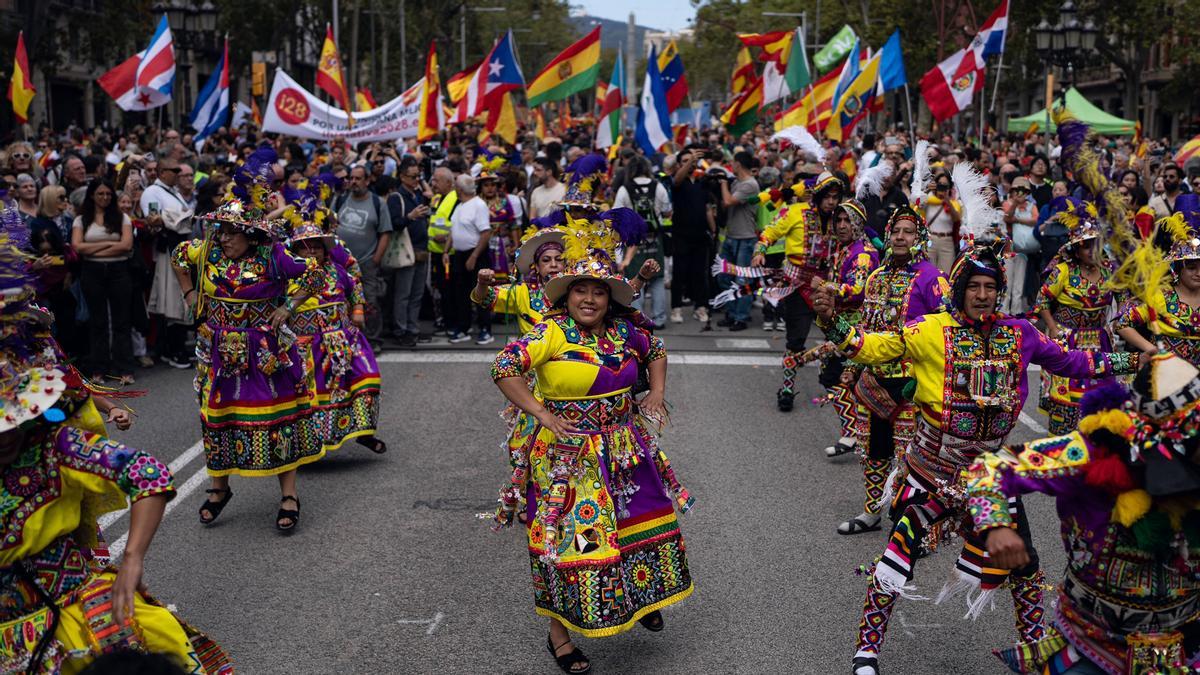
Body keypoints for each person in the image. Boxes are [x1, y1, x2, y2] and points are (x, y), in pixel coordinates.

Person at [812, 241, 1141, 675]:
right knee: (896, 559)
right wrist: (831, 321)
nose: (983, 295)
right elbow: (871, 347)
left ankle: (1035, 651)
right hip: (932, 471)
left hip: (991, 477)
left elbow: (1072, 361)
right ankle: (866, 652)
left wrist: (1135, 359)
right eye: (974, 286)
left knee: (1025, 566)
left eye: (990, 287)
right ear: (960, 289)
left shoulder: (1020, 333)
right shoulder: (930, 330)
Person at [0, 239, 232, 674]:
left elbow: (149, 474)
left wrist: (133, 558)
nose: (7, 434)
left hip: (71, 618)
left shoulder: (52, 447)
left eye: (15, 418)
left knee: (158, 642)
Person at [490, 206, 693, 674]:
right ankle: (559, 637)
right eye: (580, 289)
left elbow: (657, 349)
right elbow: (504, 367)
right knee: (570, 544)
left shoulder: (625, 331)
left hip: (624, 449)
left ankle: (641, 599)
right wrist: (542, 413)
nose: (588, 298)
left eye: (598, 291)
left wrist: (656, 393)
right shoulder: (551, 332)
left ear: (609, 298)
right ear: (567, 294)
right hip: (569, 457)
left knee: (636, 528)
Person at [968, 356, 1200, 675]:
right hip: (1093, 646)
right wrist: (996, 525)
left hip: (1185, 647)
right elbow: (990, 467)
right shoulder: (1091, 451)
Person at [171, 149, 325, 532]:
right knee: (217, 417)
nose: (223, 238)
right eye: (221, 231)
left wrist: (288, 306)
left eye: (231, 232)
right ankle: (219, 488)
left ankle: (289, 494)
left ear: (250, 235)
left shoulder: (273, 256)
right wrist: (190, 296)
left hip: (266, 352)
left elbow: (314, 274)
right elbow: (179, 256)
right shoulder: (209, 252)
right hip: (220, 351)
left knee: (277, 418)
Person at [829, 202, 946, 537]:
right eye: (896, 231)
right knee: (874, 451)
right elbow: (867, 327)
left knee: (910, 456)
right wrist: (854, 366)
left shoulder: (933, 279)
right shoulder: (877, 276)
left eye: (908, 232)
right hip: (874, 380)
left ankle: (912, 525)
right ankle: (872, 512)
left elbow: (946, 332)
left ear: (920, 238)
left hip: (912, 383)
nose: (900, 237)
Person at [282, 184, 386, 455]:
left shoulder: (337, 270)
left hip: (343, 338)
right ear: (296, 251)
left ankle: (364, 431)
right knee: (311, 397)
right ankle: (310, 446)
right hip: (305, 346)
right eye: (305, 247)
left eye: (317, 246)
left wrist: (358, 310)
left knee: (367, 379)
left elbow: (355, 285)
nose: (312, 251)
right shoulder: (287, 277)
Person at [747, 173, 843, 412]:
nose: (831, 202)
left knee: (836, 337)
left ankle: (831, 381)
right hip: (797, 286)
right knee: (796, 340)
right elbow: (769, 232)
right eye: (827, 197)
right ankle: (787, 387)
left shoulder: (840, 218)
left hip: (826, 285)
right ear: (817, 196)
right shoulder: (795, 212)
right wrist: (760, 251)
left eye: (835, 197)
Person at [1035, 199, 1116, 434]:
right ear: (1076, 251)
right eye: (1086, 246)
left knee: (1100, 394)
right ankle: (1062, 441)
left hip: (1099, 339)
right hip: (1067, 339)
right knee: (1066, 395)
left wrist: (1117, 322)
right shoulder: (1063, 271)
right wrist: (1052, 327)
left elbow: (1125, 298)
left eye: (1096, 245)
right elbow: (1042, 300)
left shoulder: (1109, 270)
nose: (1092, 251)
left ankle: (1096, 442)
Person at [1115, 198, 1200, 366]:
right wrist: (1153, 350)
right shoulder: (1161, 297)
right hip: (1165, 375)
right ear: (1177, 269)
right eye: (1191, 268)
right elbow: (1122, 323)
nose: (1199, 273)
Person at [72, 180, 136, 385]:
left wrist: (94, 248)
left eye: (108, 194)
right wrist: (110, 243)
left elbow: (126, 245)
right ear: (92, 195)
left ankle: (124, 368)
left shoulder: (122, 217)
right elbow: (77, 246)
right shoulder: (81, 220)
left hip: (118, 270)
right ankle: (99, 369)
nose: (105, 197)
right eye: (100, 194)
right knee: (97, 322)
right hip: (92, 272)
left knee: (121, 321)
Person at [333, 163, 394, 350]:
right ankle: (348, 338)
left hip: (366, 263)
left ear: (367, 181)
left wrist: (376, 259)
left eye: (358, 178)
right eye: (351, 178)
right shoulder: (340, 199)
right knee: (342, 299)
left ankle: (373, 340)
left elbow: (385, 233)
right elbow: (330, 226)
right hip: (341, 263)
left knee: (370, 301)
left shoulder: (378, 203)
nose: (353, 182)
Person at [141, 157, 194, 369]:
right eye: (175, 170)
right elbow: (153, 220)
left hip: (181, 248)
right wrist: (173, 217)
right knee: (172, 300)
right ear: (162, 172)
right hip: (168, 249)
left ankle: (174, 347)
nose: (178, 174)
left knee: (181, 299)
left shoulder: (173, 191)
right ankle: (173, 350)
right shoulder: (152, 192)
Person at [612, 156, 671, 328]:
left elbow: (616, 214)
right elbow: (667, 211)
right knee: (657, 277)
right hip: (654, 239)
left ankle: (638, 318)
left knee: (635, 278)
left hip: (633, 241)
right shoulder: (658, 186)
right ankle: (659, 318)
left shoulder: (625, 189)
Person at [668, 148, 716, 325]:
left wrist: (713, 229)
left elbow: (707, 208)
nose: (691, 163)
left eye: (693, 160)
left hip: (700, 235)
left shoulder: (703, 182)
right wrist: (690, 161)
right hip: (681, 234)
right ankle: (676, 308)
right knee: (679, 273)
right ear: (679, 164)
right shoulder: (678, 182)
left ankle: (700, 307)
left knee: (700, 273)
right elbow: (676, 180)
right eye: (686, 160)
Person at [715, 151, 761, 330]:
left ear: (738, 164)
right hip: (731, 237)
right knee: (723, 276)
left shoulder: (750, 184)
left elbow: (727, 201)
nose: (731, 166)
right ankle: (732, 313)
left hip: (745, 239)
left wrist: (723, 183)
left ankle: (741, 317)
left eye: (733, 163)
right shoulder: (737, 183)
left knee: (742, 281)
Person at [446, 173, 493, 343]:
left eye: (455, 186)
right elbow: (453, 230)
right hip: (459, 255)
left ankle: (485, 329)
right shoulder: (459, 205)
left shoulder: (478, 205)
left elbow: (486, 233)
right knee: (461, 293)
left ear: (460, 189)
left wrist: (474, 256)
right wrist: (446, 251)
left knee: (481, 293)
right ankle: (463, 327)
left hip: (476, 254)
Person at [392, 157, 430, 347]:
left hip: (421, 249)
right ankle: (401, 330)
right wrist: (410, 217)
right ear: (402, 177)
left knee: (416, 294)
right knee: (403, 294)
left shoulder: (418, 194)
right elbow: (394, 224)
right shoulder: (396, 197)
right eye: (413, 177)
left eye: (418, 176)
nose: (416, 180)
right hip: (406, 250)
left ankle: (413, 329)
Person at [426, 166, 458, 335]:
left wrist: (447, 238)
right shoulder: (436, 198)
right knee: (439, 289)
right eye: (433, 180)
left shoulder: (456, 198)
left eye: (437, 180)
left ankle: (452, 323)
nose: (433, 183)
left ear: (448, 182)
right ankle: (443, 320)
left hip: (449, 253)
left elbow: (459, 224)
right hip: (435, 252)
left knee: (449, 290)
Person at [1001, 176, 1039, 314]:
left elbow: (1036, 220)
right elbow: (1007, 218)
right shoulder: (1006, 203)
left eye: (1023, 190)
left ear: (1027, 193)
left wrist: (1017, 220)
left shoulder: (1032, 206)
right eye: (1017, 190)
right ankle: (1004, 311)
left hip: (1023, 248)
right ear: (1011, 191)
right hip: (1008, 247)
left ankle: (1017, 312)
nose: (1020, 193)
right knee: (1007, 280)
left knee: (1019, 282)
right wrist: (1015, 204)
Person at [923, 173, 961, 273]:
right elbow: (916, 204)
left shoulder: (954, 203)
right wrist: (927, 189)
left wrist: (947, 201)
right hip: (930, 240)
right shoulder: (928, 199)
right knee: (927, 271)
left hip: (946, 242)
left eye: (945, 185)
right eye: (940, 184)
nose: (942, 187)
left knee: (946, 273)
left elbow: (957, 219)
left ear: (950, 187)